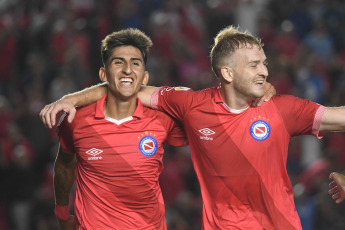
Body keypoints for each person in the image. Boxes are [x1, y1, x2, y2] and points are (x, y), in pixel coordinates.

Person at [44, 26, 345, 230]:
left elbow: (339, 118)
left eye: (263, 63)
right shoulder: (191, 105)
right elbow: (127, 86)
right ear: (227, 72)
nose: (264, 70)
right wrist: (72, 98)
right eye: (253, 65)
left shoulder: (283, 109)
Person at [52, 28, 188, 230]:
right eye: (118, 62)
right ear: (103, 73)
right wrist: (62, 214)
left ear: (145, 78)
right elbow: (64, 164)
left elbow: (196, 105)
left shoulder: (162, 120)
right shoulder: (76, 120)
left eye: (135, 63)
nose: (127, 69)